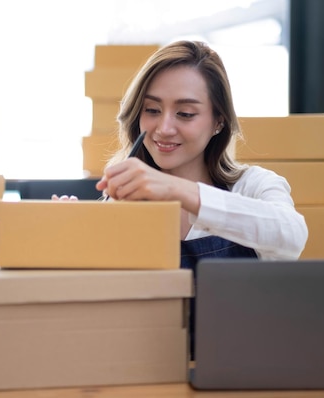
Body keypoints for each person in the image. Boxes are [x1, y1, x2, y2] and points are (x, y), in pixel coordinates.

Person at [53, 40, 308, 356]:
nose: (164, 128)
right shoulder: (118, 205)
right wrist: (68, 248)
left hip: (240, 380)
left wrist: (176, 190)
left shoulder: (253, 186)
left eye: (185, 113)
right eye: (152, 110)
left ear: (219, 121)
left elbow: (292, 235)